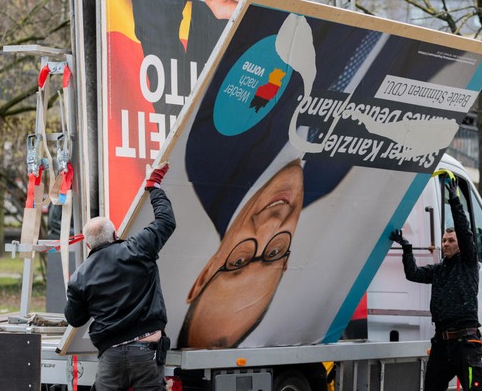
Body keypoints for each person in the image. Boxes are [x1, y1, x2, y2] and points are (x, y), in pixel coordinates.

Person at [64, 162, 176, 391]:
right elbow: (166, 221)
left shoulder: (80, 277)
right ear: (115, 235)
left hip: (111, 357)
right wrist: (154, 186)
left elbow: (75, 319)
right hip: (147, 352)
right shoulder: (139, 248)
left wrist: (74, 291)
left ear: (87, 244)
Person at [178, 159, 304, 348]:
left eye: (238, 261)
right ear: (285, 261)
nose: (271, 225)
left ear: (204, 276)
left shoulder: (206, 159)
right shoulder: (334, 175)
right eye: (275, 251)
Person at [390, 175, 482, 391]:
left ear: (461, 245)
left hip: (466, 343)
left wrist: (454, 200)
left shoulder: (469, 262)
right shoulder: (439, 270)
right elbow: (413, 274)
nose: (446, 244)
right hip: (442, 343)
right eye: (444, 240)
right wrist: (406, 248)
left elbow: (464, 231)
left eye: (451, 241)